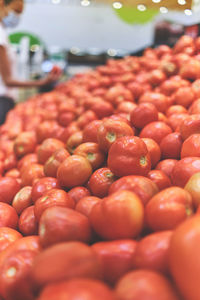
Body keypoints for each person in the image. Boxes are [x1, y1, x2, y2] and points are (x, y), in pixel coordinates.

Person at [0, 0, 61, 124]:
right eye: (16, 11)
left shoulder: (3, 33)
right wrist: (42, 82)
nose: (17, 17)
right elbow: (8, 81)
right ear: (2, 4)